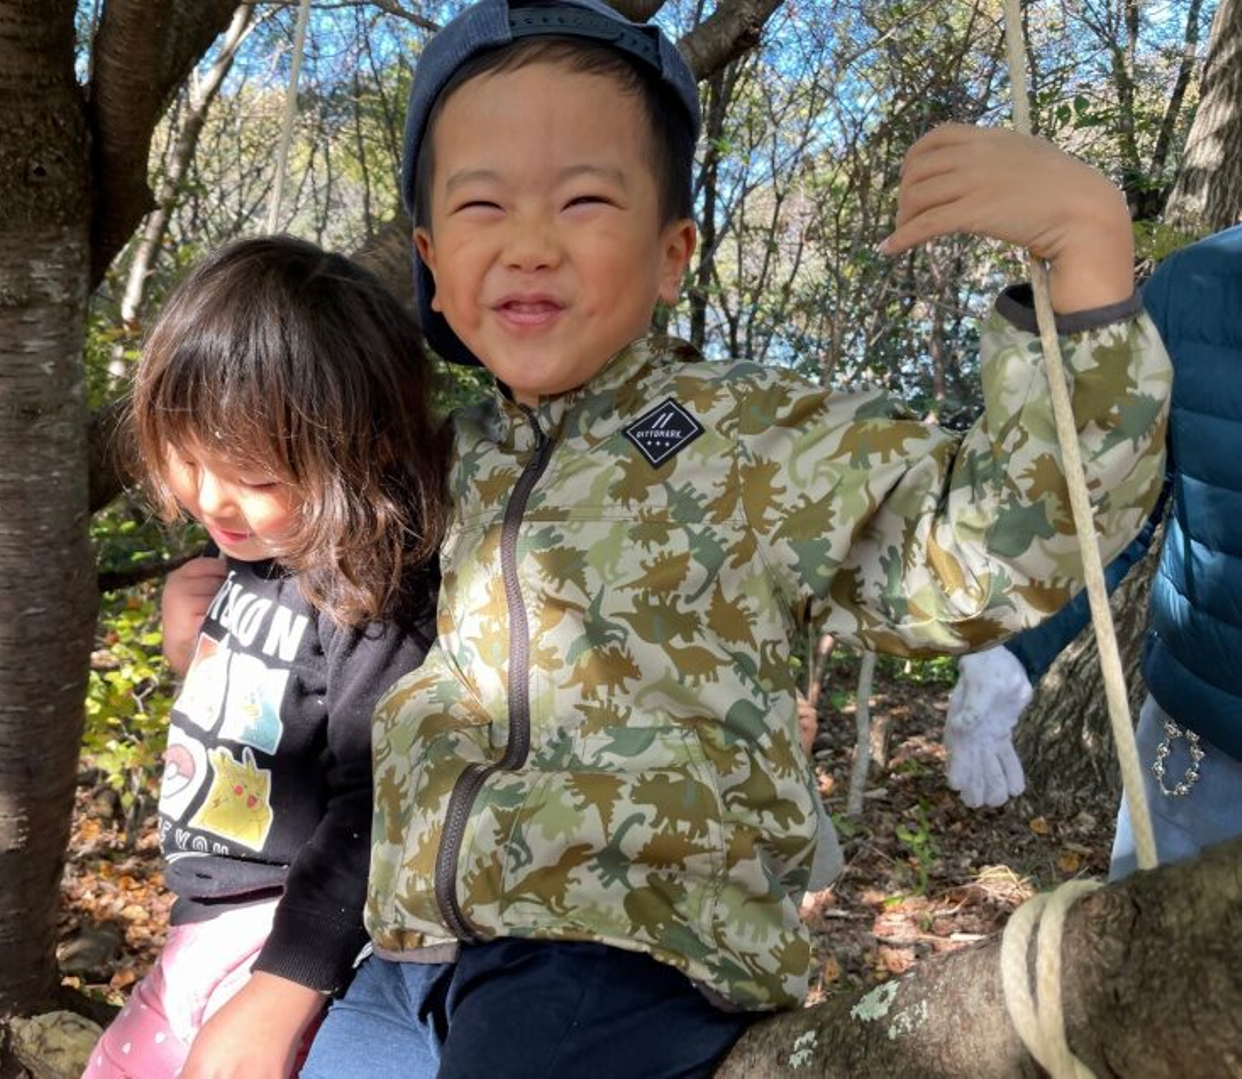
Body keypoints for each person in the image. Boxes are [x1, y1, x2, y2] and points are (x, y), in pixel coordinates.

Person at [302, 3, 1174, 1076]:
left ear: (673, 252)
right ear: (432, 260)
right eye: (483, 204)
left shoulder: (750, 434)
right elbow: (314, 544)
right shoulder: (449, 455)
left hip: (618, 945)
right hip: (415, 949)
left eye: (585, 199)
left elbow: (1009, 537)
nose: (529, 243)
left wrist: (1086, 259)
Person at [84, 236, 448, 1079]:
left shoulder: (370, 590)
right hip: (194, 926)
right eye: (190, 458)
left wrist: (285, 984)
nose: (214, 498)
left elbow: (377, 802)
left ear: (364, 448)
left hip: (288, 934)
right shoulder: (248, 559)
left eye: (252, 475)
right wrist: (191, 651)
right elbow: (269, 715)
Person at [945, 225, 1242, 881]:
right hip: (1200, 756)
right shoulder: (1196, 287)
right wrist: (1016, 647)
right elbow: (1115, 505)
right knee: (1150, 944)